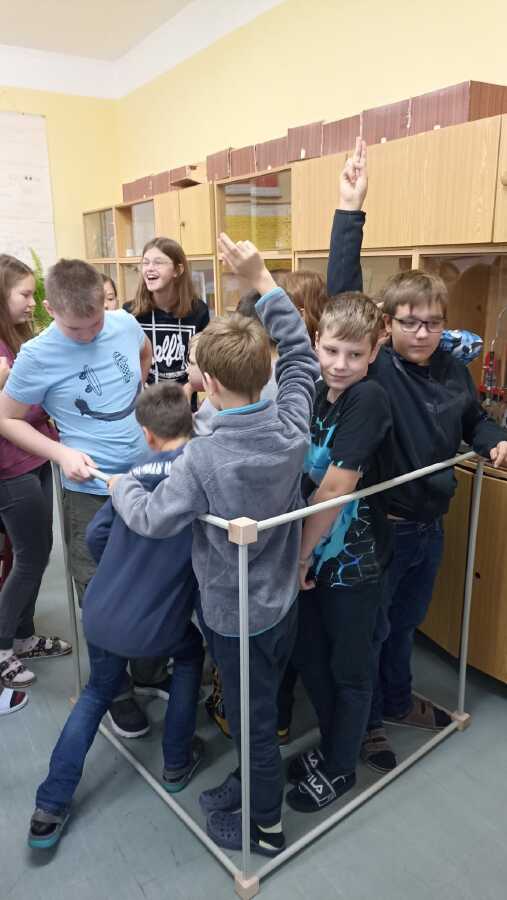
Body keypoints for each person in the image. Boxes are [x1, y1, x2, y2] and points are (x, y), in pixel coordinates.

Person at [109, 232, 320, 857]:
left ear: (215, 385)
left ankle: (266, 828)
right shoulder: (291, 421)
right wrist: (263, 281)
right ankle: (253, 785)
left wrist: (122, 486)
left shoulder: (201, 457)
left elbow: (153, 519)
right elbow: (302, 358)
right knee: (263, 700)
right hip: (282, 601)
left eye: (199, 369)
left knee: (253, 723)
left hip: (234, 615)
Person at [327, 140, 507, 773]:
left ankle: (397, 700)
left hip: (430, 526)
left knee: (406, 624)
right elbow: (343, 291)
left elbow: (473, 421)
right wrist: (351, 208)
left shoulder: (453, 369)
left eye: (431, 321)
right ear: (387, 326)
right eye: (408, 321)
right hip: (383, 528)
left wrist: (494, 439)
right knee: (374, 630)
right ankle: (370, 723)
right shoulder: (378, 371)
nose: (422, 332)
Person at [28, 382, 204, 850]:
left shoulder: (131, 477)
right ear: (191, 422)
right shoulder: (198, 477)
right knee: (191, 654)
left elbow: (95, 539)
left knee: (96, 692)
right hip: (156, 622)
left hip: (102, 610)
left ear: (146, 434)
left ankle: (49, 807)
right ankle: (176, 760)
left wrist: (127, 567)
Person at [0, 258, 167, 738]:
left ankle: (150, 669)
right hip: (90, 492)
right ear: (51, 310)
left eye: (96, 321)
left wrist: (142, 407)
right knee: (99, 595)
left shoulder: (123, 323)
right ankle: (115, 689)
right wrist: (60, 452)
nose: (91, 333)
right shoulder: (37, 355)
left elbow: (143, 354)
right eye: (77, 328)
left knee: (153, 579)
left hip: (145, 479)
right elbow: (6, 418)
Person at [283, 294, 393, 812]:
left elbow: (334, 489)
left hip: (352, 561)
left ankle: (341, 767)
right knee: (312, 659)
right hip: (313, 552)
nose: (341, 364)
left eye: (354, 354)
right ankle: (332, 747)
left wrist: (301, 556)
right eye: (331, 351)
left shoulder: (367, 399)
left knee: (349, 668)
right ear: (316, 343)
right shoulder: (318, 393)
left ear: (374, 352)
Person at [0, 254, 70, 690]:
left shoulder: (19, 339)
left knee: (38, 552)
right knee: (29, 557)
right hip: (11, 468)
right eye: (24, 294)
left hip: (36, 458)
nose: (32, 302)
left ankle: (22, 636)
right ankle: (2, 646)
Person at [126, 237, 209, 387]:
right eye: (145, 263)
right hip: (145, 399)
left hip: (184, 399)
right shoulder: (129, 313)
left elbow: (206, 364)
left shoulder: (199, 311)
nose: (150, 268)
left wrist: (189, 389)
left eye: (158, 263)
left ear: (178, 270)